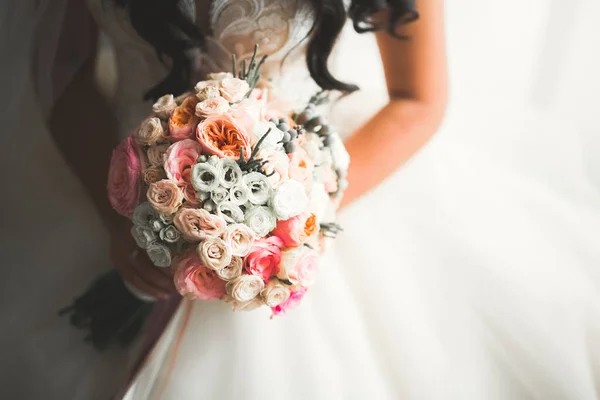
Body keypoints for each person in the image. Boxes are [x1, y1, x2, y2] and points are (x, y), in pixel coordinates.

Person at [5, 0, 599, 398]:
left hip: (314, 196)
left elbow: (419, 98)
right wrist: (123, 212)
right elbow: (64, 66)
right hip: (121, 193)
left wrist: (291, 217)